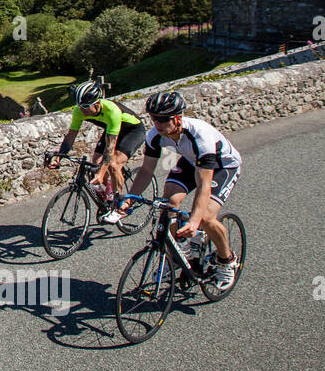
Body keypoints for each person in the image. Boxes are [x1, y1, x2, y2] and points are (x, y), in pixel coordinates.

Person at [122, 91, 241, 290]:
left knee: (206, 218)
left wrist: (194, 221)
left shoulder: (199, 136)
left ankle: (226, 260)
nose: (157, 124)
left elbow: (204, 185)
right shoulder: (155, 136)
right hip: (191, 161)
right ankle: (181, 251)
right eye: (154, 119)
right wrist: (129, 201)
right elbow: (146, 171)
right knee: (168, 203)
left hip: (222, 166)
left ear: (177, 118)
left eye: (163, 119)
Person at [45, 80, 146, 224]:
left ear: (97, 103)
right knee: (95, 164)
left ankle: (120, 206)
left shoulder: (112, 111)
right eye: (79, 106)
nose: (82, 110)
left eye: (86, 106)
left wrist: (102, 171)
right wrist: (59, 157)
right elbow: (71, 137)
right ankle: (109, 192)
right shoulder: (79, 111)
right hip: (111, 130)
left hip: (132, 131)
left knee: (113, 164)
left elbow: (109, 150)